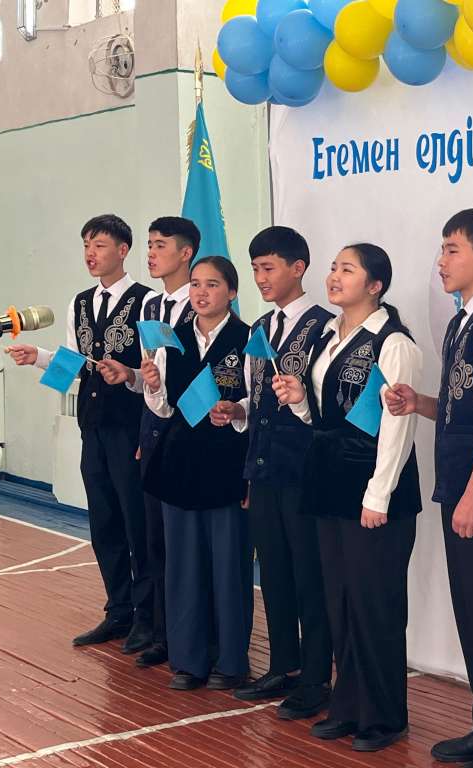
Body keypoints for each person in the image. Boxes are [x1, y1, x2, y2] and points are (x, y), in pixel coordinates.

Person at [386, 209, 473, 767]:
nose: (442, 261)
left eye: (452, 249)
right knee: (472, 608)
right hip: (461, 485)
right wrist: (419, 403)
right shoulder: (462, 321)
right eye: (442, 249)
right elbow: (462, 408)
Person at [275, 243, 422, 752]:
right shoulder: (328, 336)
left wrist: (378, 495)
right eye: (334, 267)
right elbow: (324, 416)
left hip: (373, 486)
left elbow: (397, 426)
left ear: (375, 286)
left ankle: (384, 716)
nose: (334, 276)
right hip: (328, 480)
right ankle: (349, 705)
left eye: (348, 269)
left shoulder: (393, 341)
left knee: (375, 604)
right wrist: (300, 402)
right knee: (339, 601)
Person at [6, 214, 154, 653]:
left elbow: (155, 371)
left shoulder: (147, 303)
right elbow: (76, 362)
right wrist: (38, 356)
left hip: (131, 428)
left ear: (123, 250)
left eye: (100, 245)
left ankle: (149, 616)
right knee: (103, 521)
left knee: (136, 523)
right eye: (86, 245)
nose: (91, 253)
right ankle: (118, 609)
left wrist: (128, 377)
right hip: (94, 427)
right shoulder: (81, 303)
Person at [211, 226, 335, 720]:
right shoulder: (260, 328)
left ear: (297, 268)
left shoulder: (326, 327)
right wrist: (236, 410)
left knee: (310, 577)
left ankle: (315, 677)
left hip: (306, 472)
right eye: (255, 269)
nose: (260, 278)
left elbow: (326, 403)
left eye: (268, 268)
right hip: (263, 470)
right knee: (276, 573)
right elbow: (257, 395)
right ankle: (283, 665)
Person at [140, 255, 252, 690]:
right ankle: (188, 661)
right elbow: (163, 408)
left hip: (226, 468)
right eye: (195, 284)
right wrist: (153, 385)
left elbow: (259, 401)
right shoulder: (174, 339)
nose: (201, 293)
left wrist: (237, 409)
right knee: (183, 567)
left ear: (232, 292)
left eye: (212, 284)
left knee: (228, 568)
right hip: (180, 466)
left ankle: (230, 661)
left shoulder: (248, 338)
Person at [98, 216, 201, 669]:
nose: (152, 253)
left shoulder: (200, 305)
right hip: (152, 431)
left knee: (183, 544)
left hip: (190, 437)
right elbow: (152, 378)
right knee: (153, 538)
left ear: (186, 253)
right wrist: (131, 376)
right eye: (150, 245)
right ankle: (157, 628)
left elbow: (200, 378)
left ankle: (189, 636)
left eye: (161, 245)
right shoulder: (152, 307)